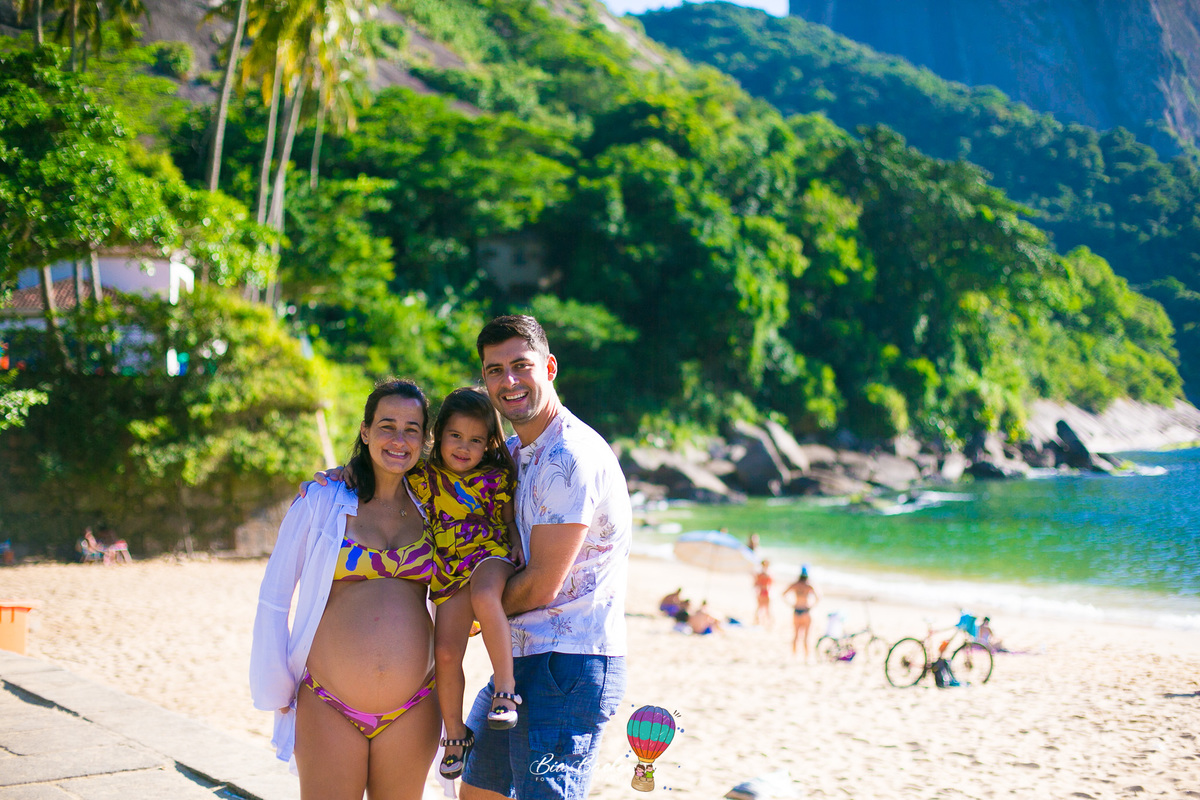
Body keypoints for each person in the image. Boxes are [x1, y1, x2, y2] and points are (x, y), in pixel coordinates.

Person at [461, 315, 632, 800]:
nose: (508, 381)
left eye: (521, 365)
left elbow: (540, 585)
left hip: (569, 664)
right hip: (520, 658)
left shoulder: (569, 456)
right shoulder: (517, 451)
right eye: (495, 370)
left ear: (550, 367)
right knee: (477, 791)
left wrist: (467, 613)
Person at [250, 379, 440, 799]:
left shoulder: (437, 509)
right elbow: (275, 594)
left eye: (412, 429)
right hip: (327, 701)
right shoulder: (322, 500)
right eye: (387, 425)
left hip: (417, 703)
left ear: (425, 439)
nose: (398, 439)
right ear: (365, 431)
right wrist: (276, 686)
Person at [410, 386, 522, 780]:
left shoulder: (496, 476)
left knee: (486, 594)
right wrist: (344, 471)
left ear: (488, 443)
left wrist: (519, 547)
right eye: (455, 436)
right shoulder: (423, 476)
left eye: (475, 440)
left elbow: (508, 520)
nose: (464, 447)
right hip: (449, 568)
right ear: (439, 436)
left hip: (490, 555)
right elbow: (376, 475)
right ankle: (456, 733)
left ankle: (506, 691)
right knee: (443, 652)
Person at [783, 566, 820, 659]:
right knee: (806, 637)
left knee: (796, 635)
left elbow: (783, 594)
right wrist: (812, 606)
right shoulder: (809, 585)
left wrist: (791, 604)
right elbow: (818, 597)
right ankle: (806, 657)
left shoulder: (795, 584)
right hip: (806, 611)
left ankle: (794, 656)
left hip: (796, 610)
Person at [753, 560, 773, 627]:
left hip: (763, 592)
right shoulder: (766, 574)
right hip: (764, 592)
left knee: (761, 608)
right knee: (764, 608)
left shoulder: (760, 574)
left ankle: (758, 621)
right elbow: (770, 584)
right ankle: (766, 622)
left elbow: (755, 584)